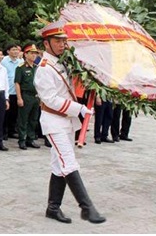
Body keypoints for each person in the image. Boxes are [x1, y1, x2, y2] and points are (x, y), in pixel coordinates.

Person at [34, 21, 105, 224]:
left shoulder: (62, 61)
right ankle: (87, 208)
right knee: (68, 162)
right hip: (53, 122)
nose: (62, 44)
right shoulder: (44, 68)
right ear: (46, 43)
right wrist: (79, 109)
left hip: (65, 121)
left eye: (63, 41)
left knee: (59, 165)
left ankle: (52, 208)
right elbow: (51, 100)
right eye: (57, 41)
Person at [15, 42, 40, 150]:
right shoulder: (21, 68)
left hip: (36, 96)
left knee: (33, 119)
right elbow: (17, 83)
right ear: (25, 54)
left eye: (35, 53)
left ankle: (30, 138)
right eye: (31, 53)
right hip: (26, 96)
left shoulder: (36, 67)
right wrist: (19, 98)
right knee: (23, 119)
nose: (34, 55)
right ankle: (22, 140)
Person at [2, 43, 23, 140]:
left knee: (14, 113)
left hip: (16, 92)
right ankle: (3, 132)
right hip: (7, 91)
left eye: (16, 50)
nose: (15, 51)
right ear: (8, 51)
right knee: (5, 113)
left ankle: (11, 131)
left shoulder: (21, 61)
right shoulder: (4, 61)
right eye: (13, 50)